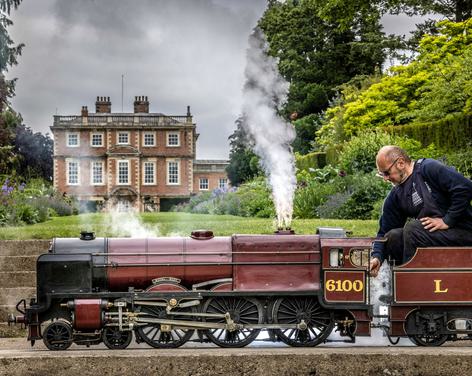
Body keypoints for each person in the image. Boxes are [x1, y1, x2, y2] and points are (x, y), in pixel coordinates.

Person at [369, 145, 472, 277]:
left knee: (413, 230)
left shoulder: (428, 168)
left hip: (464, 231)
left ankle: (411, 285)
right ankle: (395, 284)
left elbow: (465, 188)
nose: (385, 178)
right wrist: (377, 256)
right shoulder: (396, 195)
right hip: (435, 236)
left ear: (400, 163)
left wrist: (448, 220)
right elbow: (384, 232)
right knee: (393, 237)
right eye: (381, 174)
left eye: (386, 173)